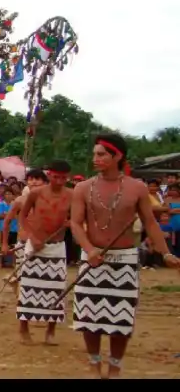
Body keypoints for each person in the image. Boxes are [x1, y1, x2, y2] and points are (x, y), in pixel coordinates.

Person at [69, 134, 179, 379]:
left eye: (101, 154)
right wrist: (89, 249)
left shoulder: (136, 187)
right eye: (95, 153)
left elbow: (150, 223)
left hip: (126, 260)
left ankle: (115, 365)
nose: (95, 158)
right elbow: (76, 224)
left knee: (121, 318)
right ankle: (94, 363)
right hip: (93, 258)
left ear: (117, 156)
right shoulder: (83, 187)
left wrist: (166, 253)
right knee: (90, 316)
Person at [15, 160, 73, 345]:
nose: (59, 181)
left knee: (56, 290)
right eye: (56, 177)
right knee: (28, 288)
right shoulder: (36, 193)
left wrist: (71, 223)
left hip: (57, 246)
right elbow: (22, 217)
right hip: (35, 244)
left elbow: (79, 218)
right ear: (49, 175)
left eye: (63, 177)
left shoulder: (72, 195)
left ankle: (50, 331)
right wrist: (33, 237)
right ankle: (24, 327)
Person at [1, 169, 49, 291]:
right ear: (27, 182)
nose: (34, 182)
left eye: (37, 179)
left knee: (41, 279)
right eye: (31, 179)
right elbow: (6, 222)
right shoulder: (20, 200)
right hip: (23, 243)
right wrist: (5, 244)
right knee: (23, 278)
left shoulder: (50, 200)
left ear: (44, 182)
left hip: (44, 245)